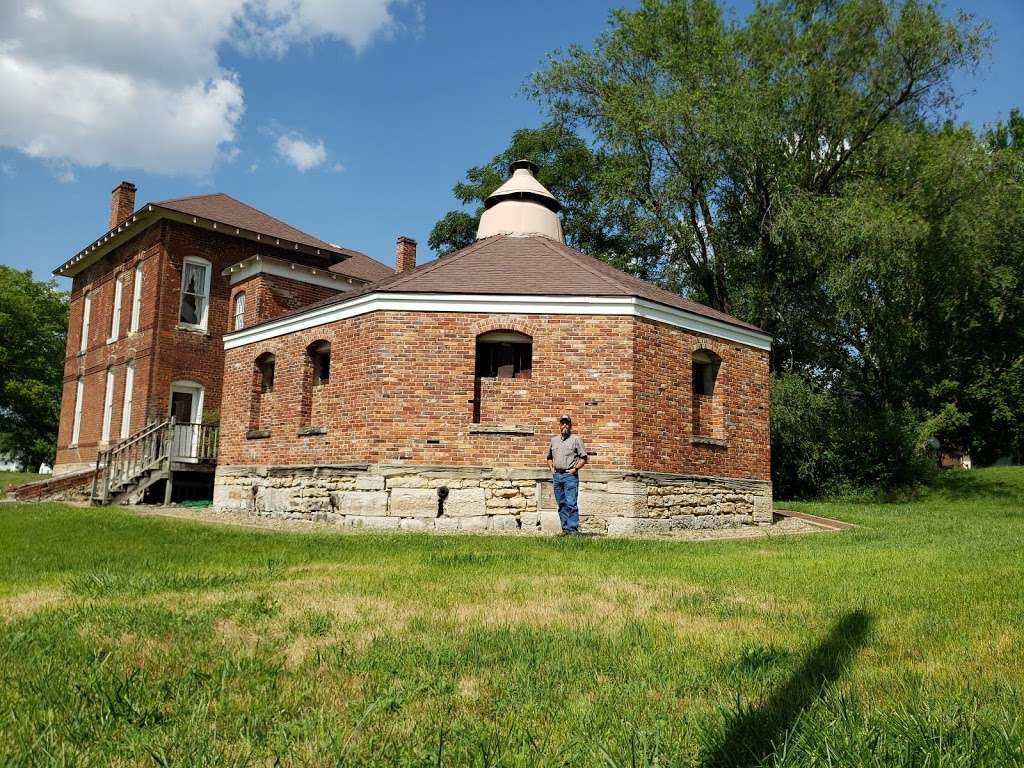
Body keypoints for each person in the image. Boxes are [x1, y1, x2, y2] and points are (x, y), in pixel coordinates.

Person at [547, 415, 587, 535]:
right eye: (562, 423)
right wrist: (552, 469)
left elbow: (584, 458)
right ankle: (565, 529)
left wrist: (575, 469)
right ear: (559, 425)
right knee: (561, 504)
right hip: (557, 476)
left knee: (571, 503)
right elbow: (549, 457)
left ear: (570, 426)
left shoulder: (576, 439)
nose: (564, 425)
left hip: (570, 476)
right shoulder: (554, 440)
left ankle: (573, 530)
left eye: (567, 423)